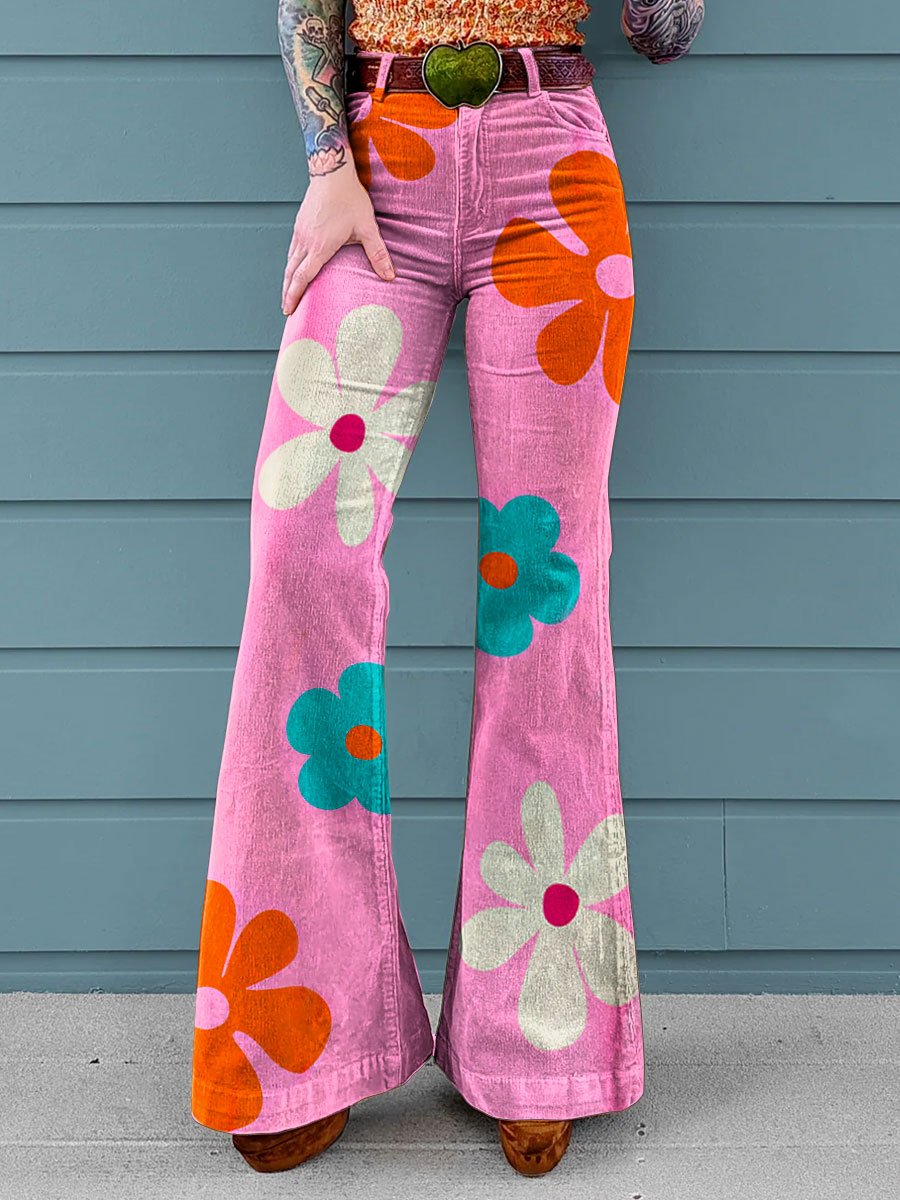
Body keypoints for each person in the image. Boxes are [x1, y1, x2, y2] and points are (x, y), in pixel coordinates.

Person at [190, 0, 705, 1178]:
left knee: (544, 597)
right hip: (380, 154)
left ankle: (540, 1045)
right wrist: (327, 162)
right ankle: (302, 1042)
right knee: (300, 548)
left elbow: (664, 32)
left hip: (553, 160)